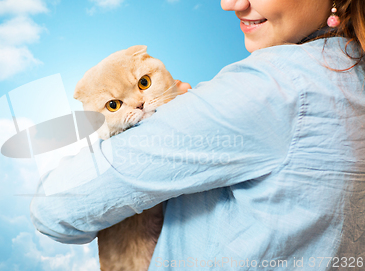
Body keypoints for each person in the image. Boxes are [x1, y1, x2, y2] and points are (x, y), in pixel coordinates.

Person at [31, 0, 365, 270]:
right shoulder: (351, 73)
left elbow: (54, 209)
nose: (229, 4)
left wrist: (159, 125)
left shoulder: (273, 86)